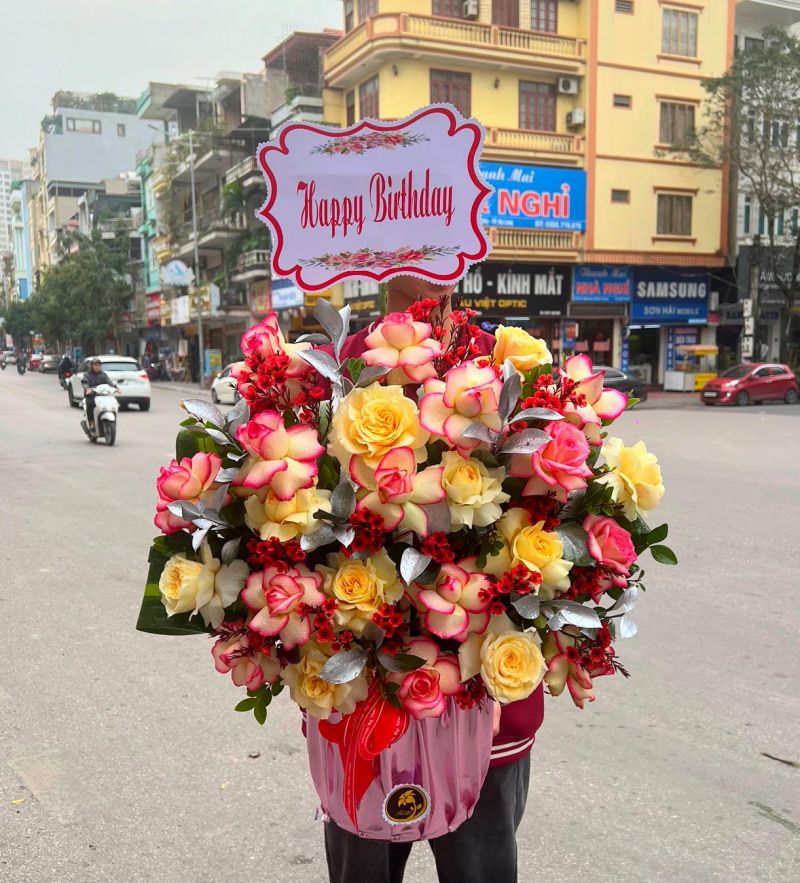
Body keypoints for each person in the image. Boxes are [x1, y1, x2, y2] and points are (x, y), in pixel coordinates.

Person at [322, 277, 545, 883]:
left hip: (487, 709)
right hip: (366, 708)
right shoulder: (342, 370)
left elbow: (550, 512)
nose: (424, 265)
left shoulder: (493, 366)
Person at [81, 358, 116, 429]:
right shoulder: (87, 375)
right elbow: (85, 382)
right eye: (95, 365)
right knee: (90, 405)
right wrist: (87, 389)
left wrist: (115, 388)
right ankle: (91, 423)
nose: (97, 367)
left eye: (99, 365)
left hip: (103, 396)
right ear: (92, 366)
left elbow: (109, 382)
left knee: (112, 404)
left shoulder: (103, 375)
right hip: (91, 396)